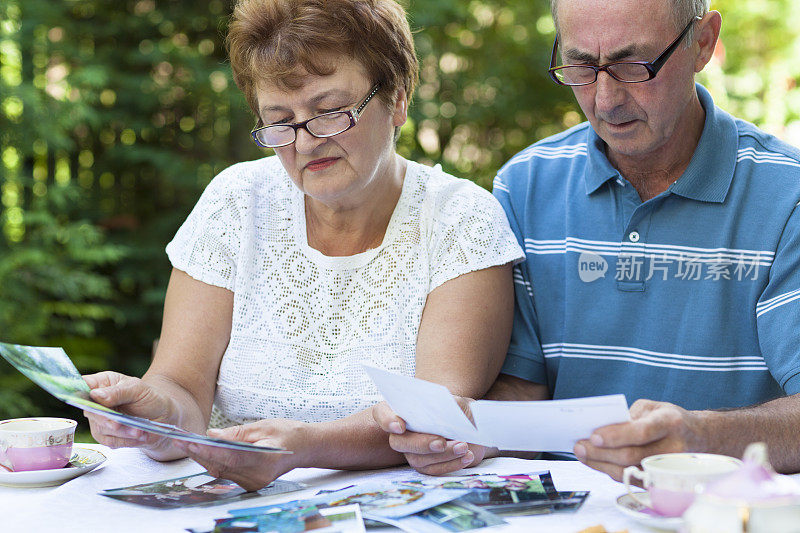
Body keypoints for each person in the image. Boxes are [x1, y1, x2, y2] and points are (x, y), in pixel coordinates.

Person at [82, 0, 523, 491]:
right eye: (280, 121)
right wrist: (152, 416)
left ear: (397, 98)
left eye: (329, 112)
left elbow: (433, 417)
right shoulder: (237, 201)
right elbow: (182, 389)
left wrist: (304, 447)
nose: (306, 142)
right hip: (232, 501)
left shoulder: (461, 219)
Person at [374, 0, 800, 481]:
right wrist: (461, 433)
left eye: (631, 65)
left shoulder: (786, 197)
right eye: (580, 66)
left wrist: (702, 439)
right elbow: (524, 387)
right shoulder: (528, 185)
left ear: (703, 42)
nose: (605, 99)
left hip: (720, 506)